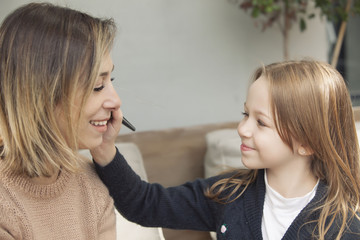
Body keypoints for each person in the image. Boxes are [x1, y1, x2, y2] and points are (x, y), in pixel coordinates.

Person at [92, 59, 360, 239]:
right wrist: (105, 149)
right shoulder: (230, 194)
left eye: (261, 123)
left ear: (307, 143)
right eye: (245, 114)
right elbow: (145, 204)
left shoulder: (347, 223)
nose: (243, 129)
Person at [0, 2, 122, 239]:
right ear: (40, 95)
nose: (115, 101)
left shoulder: (92, 183)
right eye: (97, 86)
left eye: (110, 80)